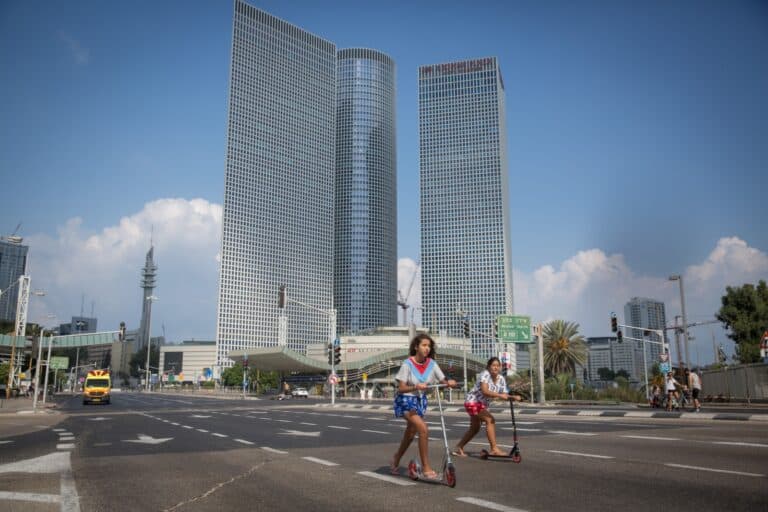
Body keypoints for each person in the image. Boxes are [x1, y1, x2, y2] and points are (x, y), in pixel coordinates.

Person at [390, 334, 457, 479]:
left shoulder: (432, 364)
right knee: (423, 428)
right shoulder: (407, 364)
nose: (427, 348)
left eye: (429, 346)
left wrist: (449, 382)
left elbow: (443, 379)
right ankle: (426, 468)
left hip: (420, 402)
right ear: (416, 347)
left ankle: (396, 459)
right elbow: (400, 388)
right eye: (424, 345)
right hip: (406, 401)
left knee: (411, 432)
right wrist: (415, 386)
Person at [452, 357, 521, 457]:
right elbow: (485, 391)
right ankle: (494, 449)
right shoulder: (485, 375)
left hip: (481, 405)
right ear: (489, 367)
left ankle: (459, 447)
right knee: (490, 420)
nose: (495, 368)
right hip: (472, 402)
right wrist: (499, 395)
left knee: (475, 428)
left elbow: (504, 394)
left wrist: (513, 397)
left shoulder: (501, 379)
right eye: (493, 365)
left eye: (498, 365)